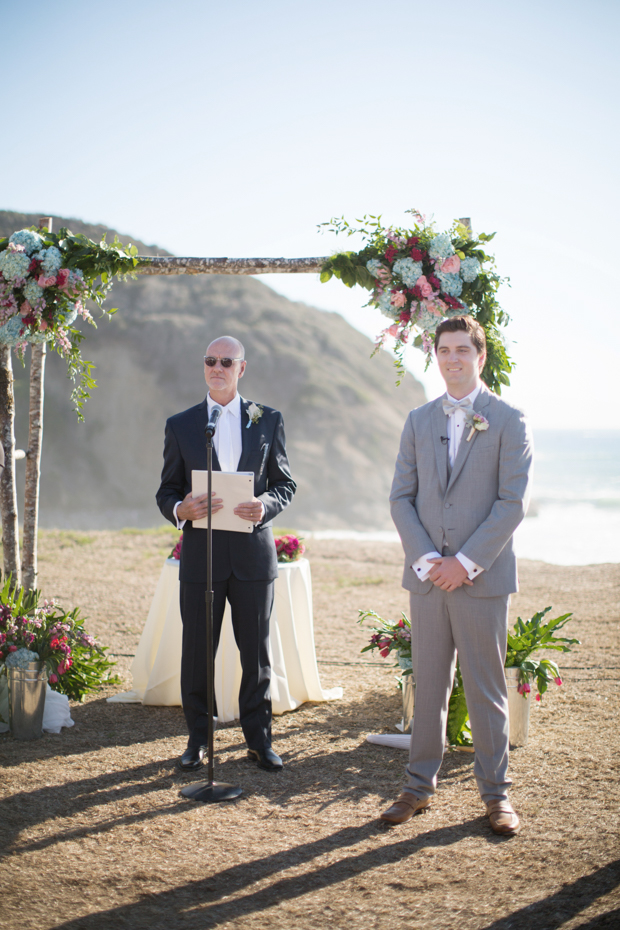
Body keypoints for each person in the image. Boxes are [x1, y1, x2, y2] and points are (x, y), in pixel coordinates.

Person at [381, 315, 533, 835]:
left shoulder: (509, 419)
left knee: (487, 688)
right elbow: (402, 497)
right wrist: (427, 561)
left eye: (462, 350)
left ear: (480, 356)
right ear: (436, 355)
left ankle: (496, 795)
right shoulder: (418, 419)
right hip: (426, 579)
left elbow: (512, 504)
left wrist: (464, 563)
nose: (452, 359)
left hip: (481, 579)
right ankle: (417, 786)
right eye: (444, 350)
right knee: (429, 686)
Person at [156, 335, 296, 772]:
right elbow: (167, 489)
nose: (217, 367)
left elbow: (285, 484)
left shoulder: (268, 420)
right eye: (210, 361)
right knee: (198, 652)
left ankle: (260, 741)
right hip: (202, 555)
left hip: (254, 556)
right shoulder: (181, 424)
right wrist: (182, 509)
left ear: (242, 368)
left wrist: (265, 506)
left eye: (226, 361)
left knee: (255, 655)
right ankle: (198, 741)